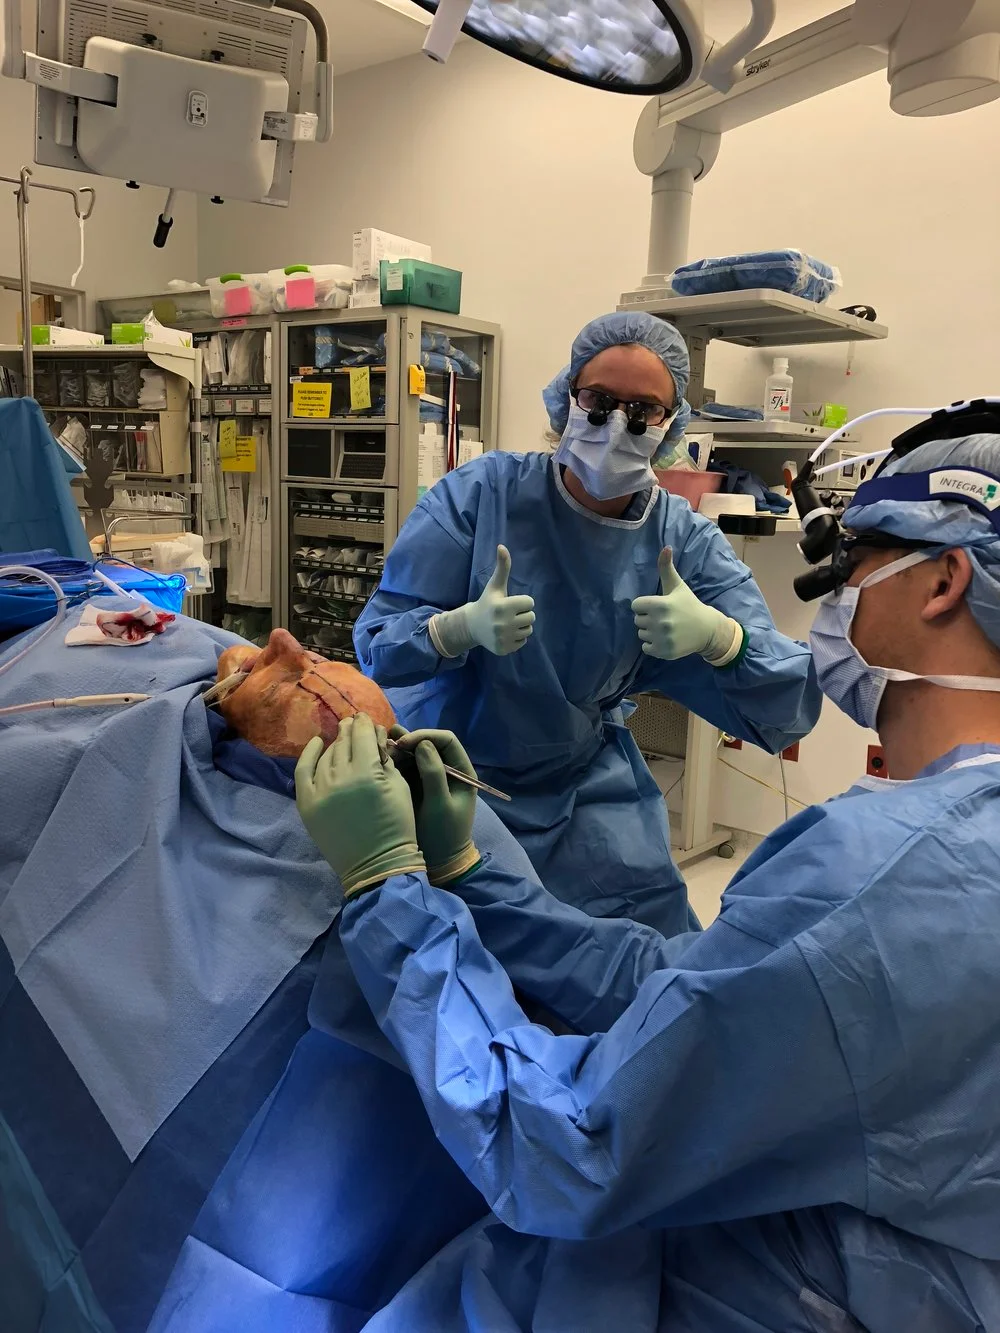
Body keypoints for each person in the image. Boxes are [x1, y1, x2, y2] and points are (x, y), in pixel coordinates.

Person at [298, 428, 1000, 1330]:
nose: (836, 598)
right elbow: (706, 986)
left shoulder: (876, 873)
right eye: (598, 403)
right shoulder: (939, 851)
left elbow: (569, 1144)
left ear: (944, 580)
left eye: (853, 564)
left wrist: (390, 891)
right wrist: (475, 880)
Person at [0, 616, 552, 1332]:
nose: (286, 640)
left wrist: (426, 881)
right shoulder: (154, 724)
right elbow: (598, 973)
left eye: (304, 667)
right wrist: (458, 875)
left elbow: (561, 1122)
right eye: (295, 660)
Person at [353, 311, 820, 936]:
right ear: (567, 398)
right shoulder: (481, 495)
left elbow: (790, 708)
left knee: (651, 945)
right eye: (598, 401)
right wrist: (451, 632)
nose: (617, 424)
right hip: (447, 773)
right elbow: (377, 648)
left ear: (672, 423)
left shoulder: (683, 541)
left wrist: (723, 641)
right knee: (459, 944)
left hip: (582, 786)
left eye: (643, 410)